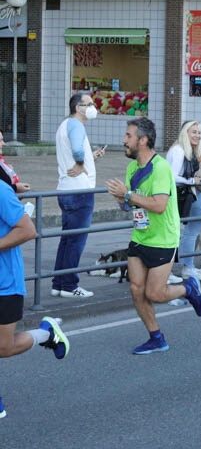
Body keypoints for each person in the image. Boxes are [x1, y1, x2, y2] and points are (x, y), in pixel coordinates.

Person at [106, 117, 201, 354]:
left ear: (142, 140)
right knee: (135, 288)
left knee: (154, 293)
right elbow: (132, 204)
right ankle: (156, 337)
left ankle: (188, 288)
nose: (124, 140)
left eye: (128, 136)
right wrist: (122, 200)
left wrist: (128, 195)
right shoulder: (133, 168)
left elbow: (159, 204)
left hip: (163, 238)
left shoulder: (160, 167)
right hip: (141, 236)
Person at [0, 178, 70, 418]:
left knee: (4, 347)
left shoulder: (0, 191)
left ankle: (46, 333)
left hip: (5, 283)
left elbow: (28, 230)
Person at [52, 92, 105, 298]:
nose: (92, 107)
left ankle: (59, 282)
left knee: (67, 239)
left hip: (66, 188)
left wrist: (90, 158)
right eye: (88, 104)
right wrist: (82, 162)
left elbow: (72, 154)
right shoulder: (76, 125)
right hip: (80, 191)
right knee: (76, 240)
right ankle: (69, 285)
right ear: (78, 108)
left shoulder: (64, 125)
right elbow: (76, 151)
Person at [167, 120, 201, 280]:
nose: (197, 135)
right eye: (193, 132)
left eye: (199, 132)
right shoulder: (179, 150)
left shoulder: (189, 151)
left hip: (189, 195)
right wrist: (192, 181)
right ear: (185, 133)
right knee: (180, 233)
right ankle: (174, 269)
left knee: (187, 232)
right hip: (182, 195)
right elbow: (172, 176)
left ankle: (186, 266)